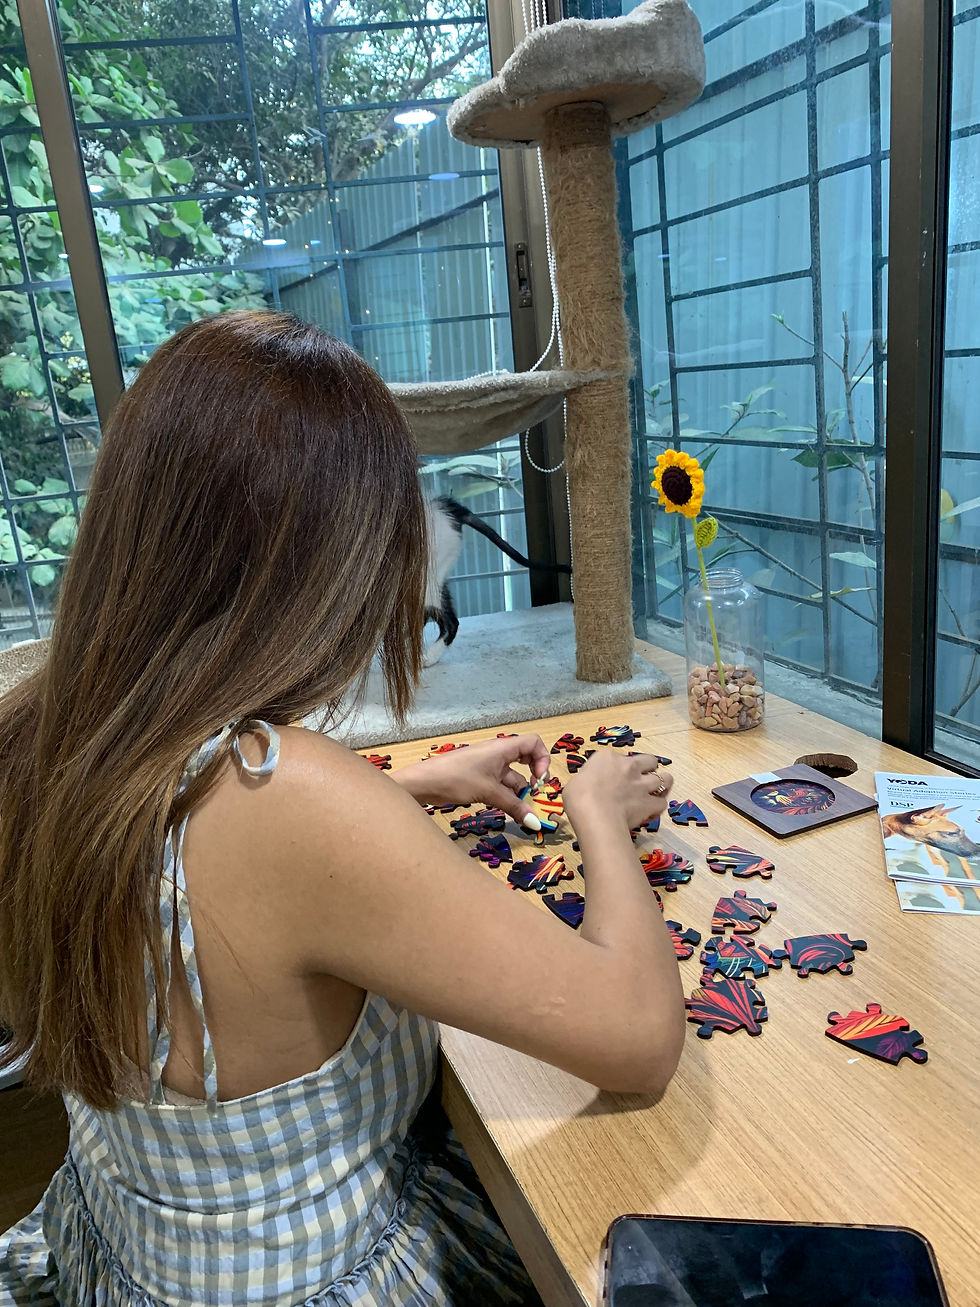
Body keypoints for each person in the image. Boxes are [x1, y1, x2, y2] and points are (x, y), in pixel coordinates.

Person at [0, 311, 684, 1306]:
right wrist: (597, 810)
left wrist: (410, 785)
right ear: (328, 562)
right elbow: (639, 1038)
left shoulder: (43, 733)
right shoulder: (289, 795)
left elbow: (199, 873)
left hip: (122, 1254)